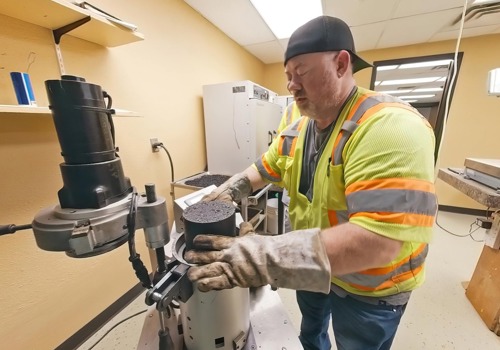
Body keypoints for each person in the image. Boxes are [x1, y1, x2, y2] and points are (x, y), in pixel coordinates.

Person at [185, 15, 437, 350]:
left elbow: (378, 240)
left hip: (369, 289)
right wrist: (236, 186)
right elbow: (270, 163)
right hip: (313, 266)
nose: (291, 85)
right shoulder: (298, 117)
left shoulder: (390, 128)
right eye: (288, 75)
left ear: (341, 63)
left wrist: (264, 257)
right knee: (311, 335)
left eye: (301, 71)